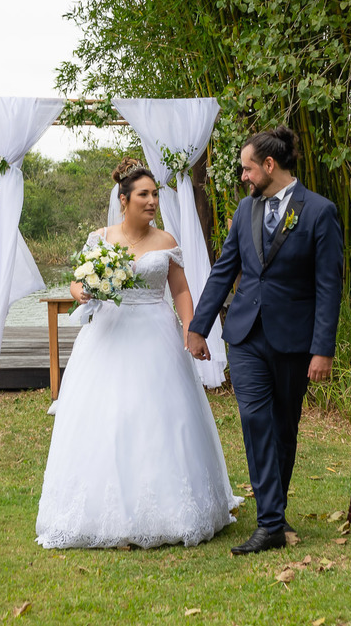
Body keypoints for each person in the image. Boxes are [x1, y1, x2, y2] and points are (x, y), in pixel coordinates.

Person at [35, 158, 241, 549]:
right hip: (109, 335)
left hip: (156, 333)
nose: (152, 202)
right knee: (108, 416)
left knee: (161, 417)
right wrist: (87, 291)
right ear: (124, 199)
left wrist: (190, 329)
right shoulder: (101, 238)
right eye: (144, 195)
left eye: (155, 195)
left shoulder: (166, 242)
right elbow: (79, 283)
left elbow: (180, 290)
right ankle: (103, 508)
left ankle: (172, 506)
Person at [187, 126, 343, 555]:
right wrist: (199, 326)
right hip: (245, 336)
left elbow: (329, 286)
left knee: (283, 428)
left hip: (294, 340)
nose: (243, 176)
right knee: (255, 421)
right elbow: (225, 270)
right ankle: (271, 522)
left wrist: (322, 348)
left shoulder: (319, 212)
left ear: (269, 166)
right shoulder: (244, 210)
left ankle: (274, 513)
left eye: (247, 168)